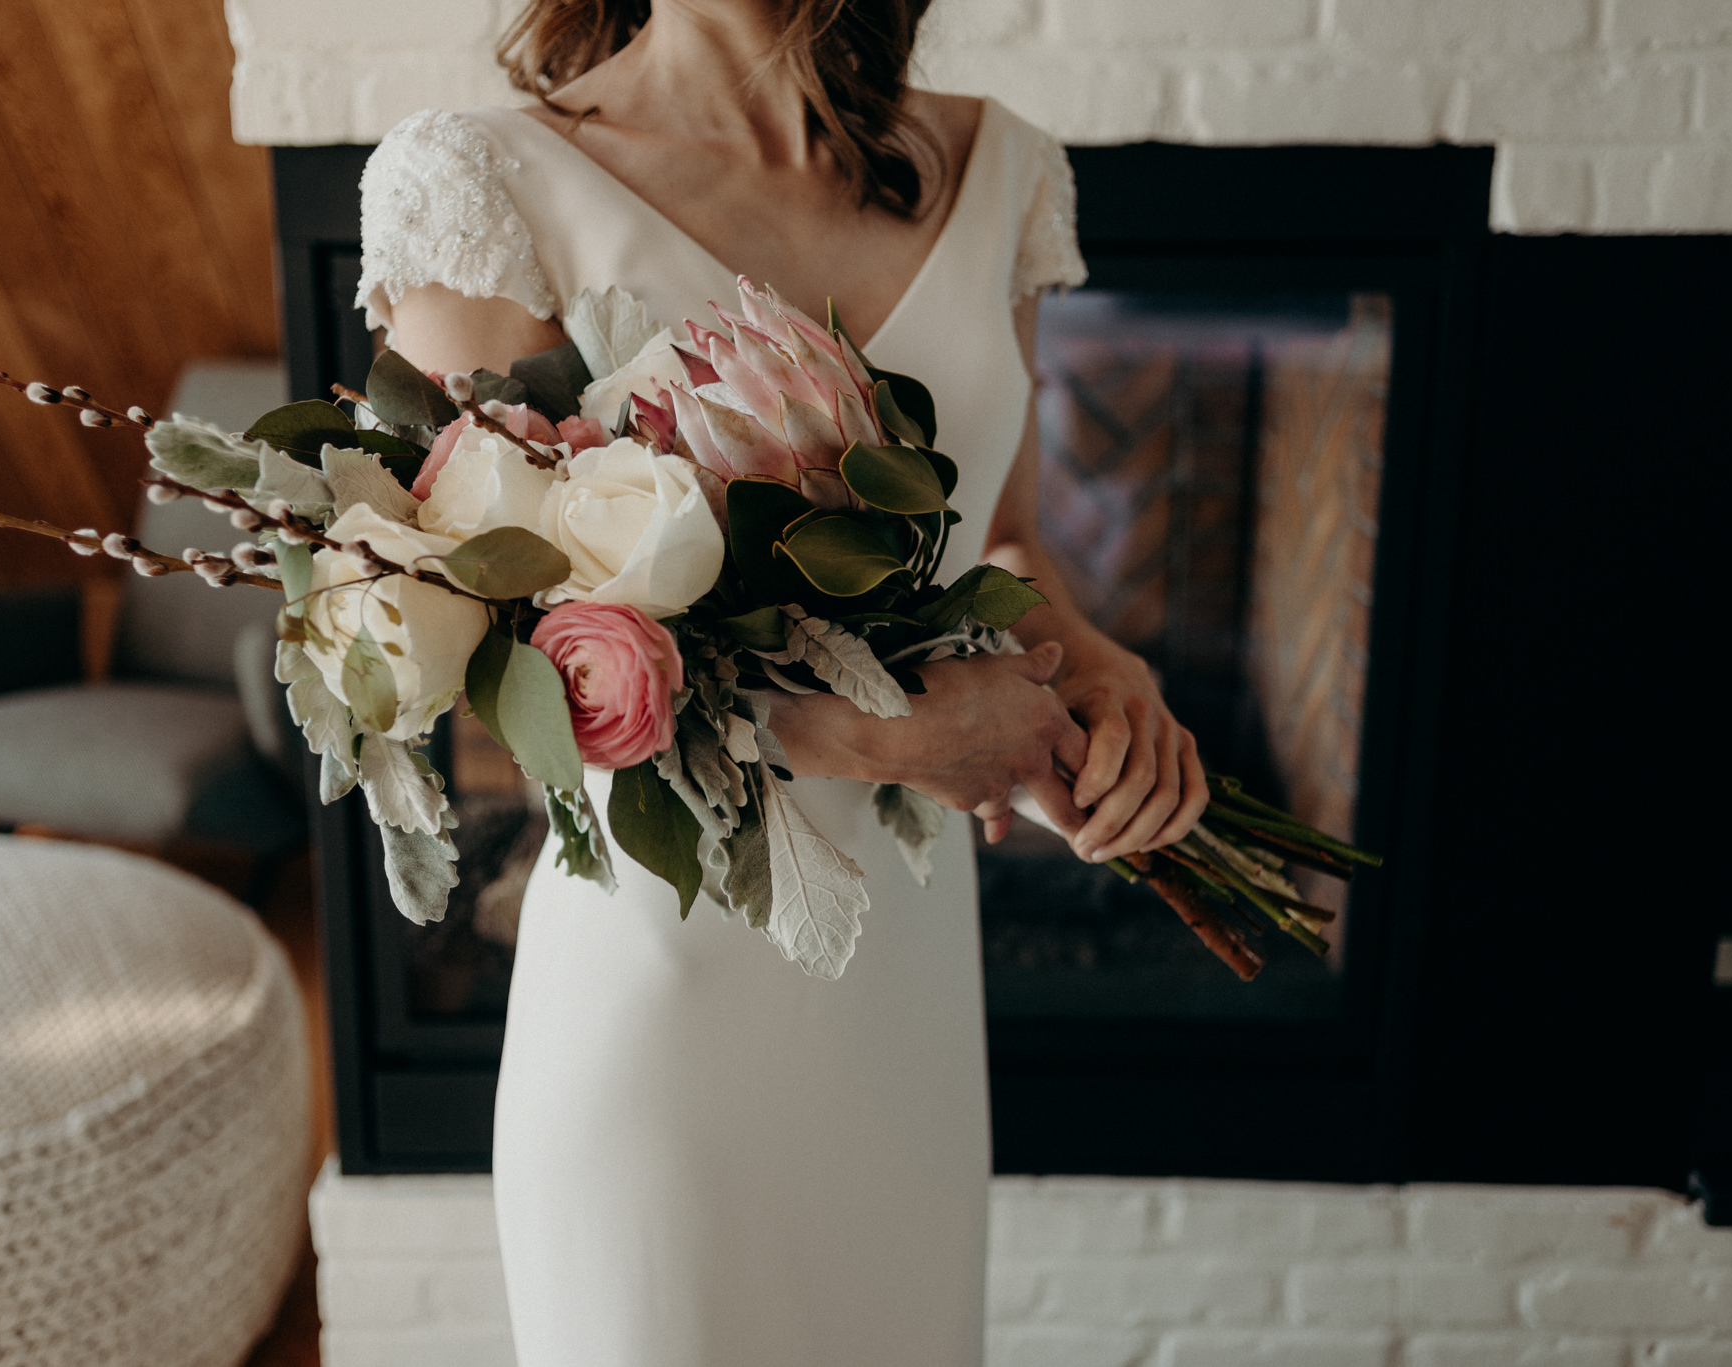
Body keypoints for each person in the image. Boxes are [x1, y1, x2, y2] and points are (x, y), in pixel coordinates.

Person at [357, 2, 1206, 1362]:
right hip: (659, 996)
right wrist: (897, 737)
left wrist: (1103, 672)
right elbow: (484, 662)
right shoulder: (485, 187)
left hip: (906, 1001)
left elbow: (1006, 541)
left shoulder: (1003, 171)